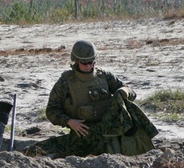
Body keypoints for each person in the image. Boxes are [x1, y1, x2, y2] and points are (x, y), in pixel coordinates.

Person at [26, 40, 158, 158]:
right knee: (38, 151)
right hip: (83, 134)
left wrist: (124, 91)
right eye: (84, 63)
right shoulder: (65, 82)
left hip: (109, 130)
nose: (89, 66)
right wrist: (69, 122)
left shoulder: (104, 76)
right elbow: (51, 111)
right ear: (76, 61)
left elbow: (130, 92)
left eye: (92, 62)